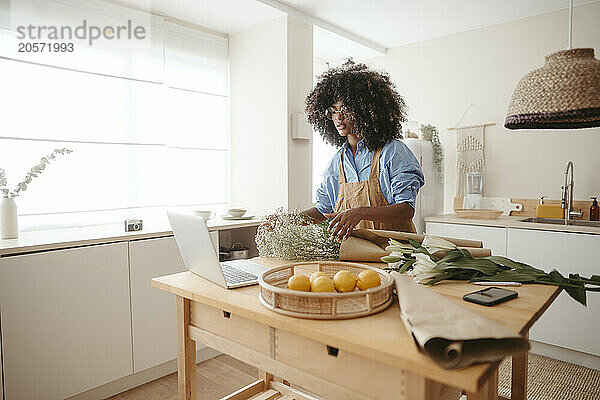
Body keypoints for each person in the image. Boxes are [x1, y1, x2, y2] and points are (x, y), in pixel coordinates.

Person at [303, 60, 425, 241]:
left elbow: (406, 210)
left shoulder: (393, 152)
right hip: (356, 253)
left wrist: (360, 213)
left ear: (365, 110)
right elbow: (323, 209)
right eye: (333, 111)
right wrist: (287, 220)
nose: (339, 117)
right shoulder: (337, 162)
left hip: (397, 252)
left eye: (345, 108)